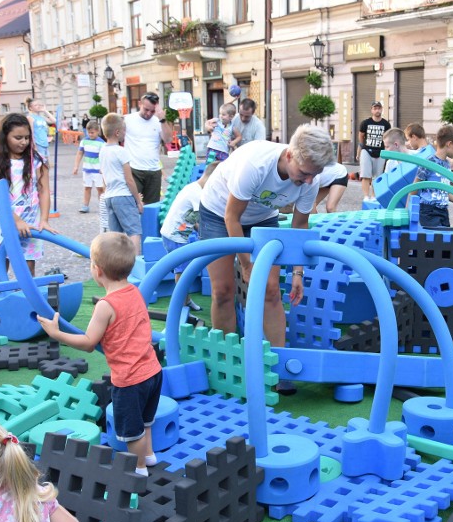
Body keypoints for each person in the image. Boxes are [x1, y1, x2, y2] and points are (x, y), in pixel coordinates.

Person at [199, 124, 334, 394]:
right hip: (218, 212)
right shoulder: (256, 164)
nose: (309, 181)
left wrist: (298, 273)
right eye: (305, 173)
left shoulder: (311, 180)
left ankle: (279, 367)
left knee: (271, 291)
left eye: (314, 175)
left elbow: (300, 227)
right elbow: (231, 218)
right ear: (289, 156)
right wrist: (247, 265)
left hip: (262, 218)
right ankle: (227, 362)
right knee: (223, 290)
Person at [38, 232, 163, 476]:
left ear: (97, 270)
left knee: (132, 429)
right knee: (146, 419)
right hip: (153, 372)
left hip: (129, 379)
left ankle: (137, 469)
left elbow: (88, 342)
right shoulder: (135, 292)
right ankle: (148, 456)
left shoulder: (105, 305)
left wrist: (57, 334)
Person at [0, 113, 54, 284]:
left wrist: (44, 219)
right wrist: (16, 221)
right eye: (18, 137)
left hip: (29, 222)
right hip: (2, 221)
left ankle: (26, 307)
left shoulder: (36, 160)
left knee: (28, 270)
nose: (24, 142)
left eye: (27, 137)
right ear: (4, 136)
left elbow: (44, 191)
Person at [161, 160, 220, 311]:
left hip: (176, 234)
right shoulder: (198, 194)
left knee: (184, 270)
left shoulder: (192, 187)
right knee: (182, 271)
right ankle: (180, 304)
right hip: (175, 236)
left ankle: (185, 300)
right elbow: (205, 217)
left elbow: (193, 219)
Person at [408, 125, 453, 228]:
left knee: (445, 240)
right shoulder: (429, 163)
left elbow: (444, 190)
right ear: (449, 144)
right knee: (436, 240)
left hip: (443, 210)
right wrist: (408, 211)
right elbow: (414, 188)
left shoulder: (447, 164)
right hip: (429, 210)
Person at [100, 113, 144, 255]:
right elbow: (129, 180)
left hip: (110, 197)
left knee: (115, 236)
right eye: (124, 130)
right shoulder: (121, 151)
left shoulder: (102, 151)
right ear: (118, 132)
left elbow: (103, 175)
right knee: (134, 232)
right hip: (123, 195)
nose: (125, 133)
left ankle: (116, 265)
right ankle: (135, 263)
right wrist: (138, 200)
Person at [123, 92, 173, 205]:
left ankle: (147, 224)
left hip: (154, 170)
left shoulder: (158, 121)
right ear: (140, 104)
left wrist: (163, 119)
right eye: (146, 109)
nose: (148, 113)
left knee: (152, 207)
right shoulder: (128, 120)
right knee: (132, 204)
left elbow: (168, 139)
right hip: (134, 169)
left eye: (152, 111)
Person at [357, 101, 391, 202]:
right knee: (365, 175)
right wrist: (359, 151)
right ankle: (366, 196)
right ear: (371, 110)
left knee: (378, 176)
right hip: (367, 151)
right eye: (375, 108)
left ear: (381, 109)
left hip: (380, 152)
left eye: (379, 108)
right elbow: (361, 137)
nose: (377, 110)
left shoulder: (386, 124)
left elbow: (388, 139)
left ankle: (374, 196)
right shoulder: (365, 123)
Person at [72, 120, 106, 218]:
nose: (90, 134)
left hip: (98, 171)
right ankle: (85, 205)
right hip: (87, 169)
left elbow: (104, 157)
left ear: (97, 131)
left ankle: (102, 206)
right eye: (88, 132)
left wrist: (103, 168)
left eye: (92, 132)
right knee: (87, 187)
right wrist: (76, 166)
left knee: (100, 189)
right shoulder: (84, 141)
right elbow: (80, 153)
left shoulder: (102, 143)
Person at [26, 98, 56, 164]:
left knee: (47, 165)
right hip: (38, 143)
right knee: (40, 165)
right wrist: (34, 145)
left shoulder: (41, 117)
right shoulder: (30, 117)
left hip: (45, 143)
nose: (38, 106)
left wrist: (45, 111)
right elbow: (31, 132)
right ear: (30, 108)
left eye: (39, 104)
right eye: (36, 105)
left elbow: (54, 121)